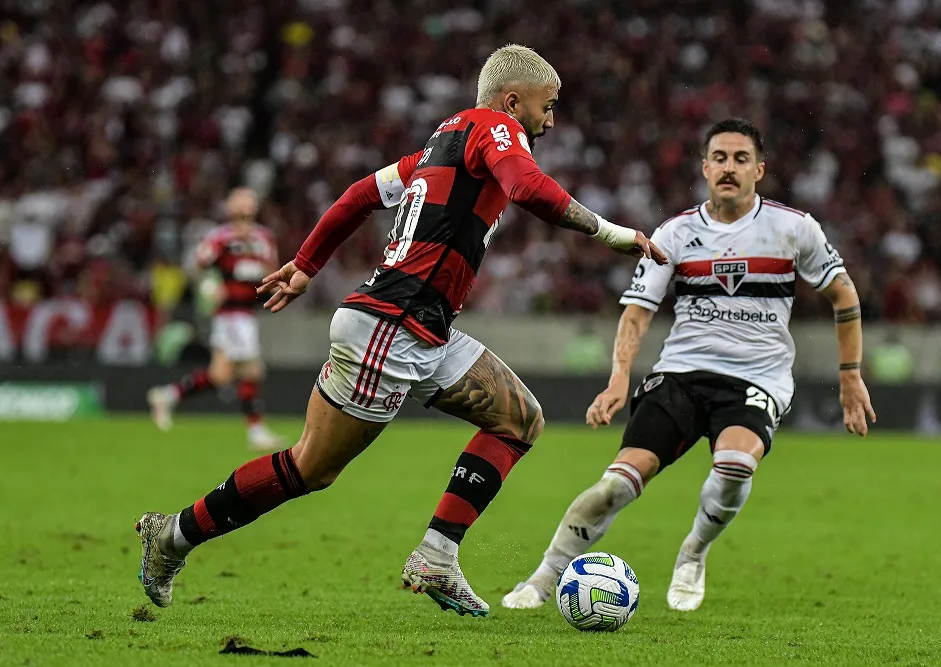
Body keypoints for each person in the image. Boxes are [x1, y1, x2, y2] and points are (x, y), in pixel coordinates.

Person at [134, 45, 666, 618]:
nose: (551, 120)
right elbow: (528, 188)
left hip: (423, 326)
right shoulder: (492, 126)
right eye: (548, 106)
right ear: (514, 101)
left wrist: (308, 264)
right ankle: (173, 537)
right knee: (312, 467)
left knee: (519, 419)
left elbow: (361, 195)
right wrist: (613, 233)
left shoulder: (442, 145)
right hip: (391, 325)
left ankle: (437, 554)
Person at [501, 118, 877, 613]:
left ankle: (693, 552)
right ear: (704, 168)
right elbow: (638, 310)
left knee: (735, 463)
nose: (729, 167)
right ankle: (542, 578)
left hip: (756, 378)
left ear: (760, 170)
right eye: (719, 157)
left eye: (741, 159)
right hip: (682, 373)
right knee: (616, 484)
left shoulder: (793, 229)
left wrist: (850, 376)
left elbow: (843, 295)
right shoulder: (675, 233)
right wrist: (619, 378)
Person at [146, 188, 285, 451]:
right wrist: (209, 285)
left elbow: (271, 271)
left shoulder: (263, 238)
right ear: (230, 206)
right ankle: (256, 431)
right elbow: (196, 267)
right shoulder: (220, 238)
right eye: (240, 199)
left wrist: (270, 284)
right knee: (252, 370)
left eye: (249, 199)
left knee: (220, 376)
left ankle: (167, 396)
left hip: (248, 311)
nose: (245, 204)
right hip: (230, 313)